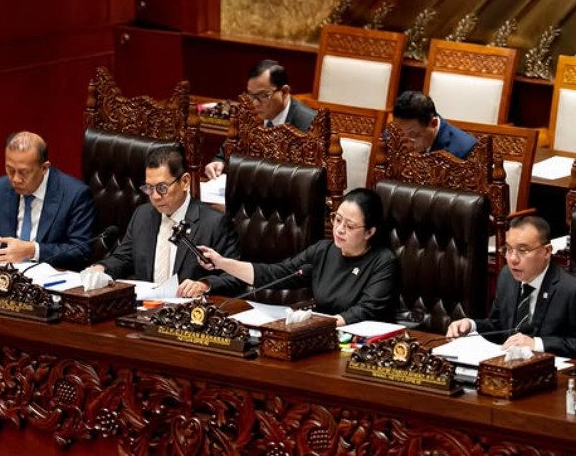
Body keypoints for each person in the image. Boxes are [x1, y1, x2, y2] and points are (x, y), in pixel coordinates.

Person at [191, 188, 398, 326]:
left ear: (370, 232)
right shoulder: (323, 251)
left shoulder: (382, 261)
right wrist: (221, 262)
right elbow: (274, 274)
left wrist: (315, 326)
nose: (339, 229)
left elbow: (365, 311)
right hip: (321, 335)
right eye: (337, 219)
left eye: (350, 225)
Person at [446, 216, 576, 360]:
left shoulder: (572, 290)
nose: (513, 259)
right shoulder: (507, 276)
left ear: (547, 251)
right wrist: (471, 325)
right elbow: (498, 326)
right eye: (508, 249)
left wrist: (537, 344)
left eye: (523, 250)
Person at [92, 146, 241, 295]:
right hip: (145, 308)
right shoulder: (142, 215)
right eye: (149, 188)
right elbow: (123, 258)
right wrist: (102, 268)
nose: (155, 196)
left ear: (185, 182)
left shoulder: (214, 223)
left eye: (162, 188)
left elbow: (234, 277)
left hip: (188, 311)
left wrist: (204, 285)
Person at [0, 131, 95, 271]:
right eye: (10, 170)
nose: (15, 179)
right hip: (8, 276)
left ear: (44, 168)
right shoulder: (2, 187)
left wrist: (33, 250)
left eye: (23, 172)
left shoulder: (75, 194)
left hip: (51, 279)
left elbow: (81, 250)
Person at [204, 59, 317, 179]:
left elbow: (308, 177)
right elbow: (225, 153)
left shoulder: (309, 124)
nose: (255, 103)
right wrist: (218, 163)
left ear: (284, 92)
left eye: (263, 96)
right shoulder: (248, 113)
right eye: (251, 95)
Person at [391, 90, 477, 159]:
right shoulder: (390, 135)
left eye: (413, 135)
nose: (406, 144)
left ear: (433, 123)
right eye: (401, 134)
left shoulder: (464, 150)